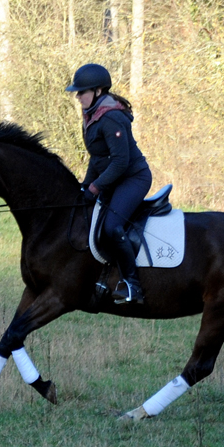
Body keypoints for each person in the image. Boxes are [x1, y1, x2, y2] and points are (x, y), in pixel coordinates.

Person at [66, 63, 153, 304]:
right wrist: (85, 185)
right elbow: (98, 158)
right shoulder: (91, 116)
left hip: (133, 178)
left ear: (98, 91)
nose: (78, 96)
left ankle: (133, 285)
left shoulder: (112, 118)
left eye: (81, 92)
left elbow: (120, 162)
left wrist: (95, 187)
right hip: (113, 178)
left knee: (112, 226)